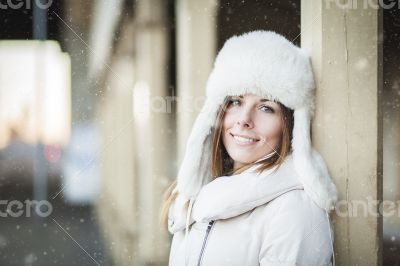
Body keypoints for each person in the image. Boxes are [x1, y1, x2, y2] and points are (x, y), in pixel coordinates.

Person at [161, 30, 338, 266]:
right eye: (235, 102)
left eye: (266, 108)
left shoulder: (294, 212)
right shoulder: (193, 197)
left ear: (290, 126)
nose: (244, 119)